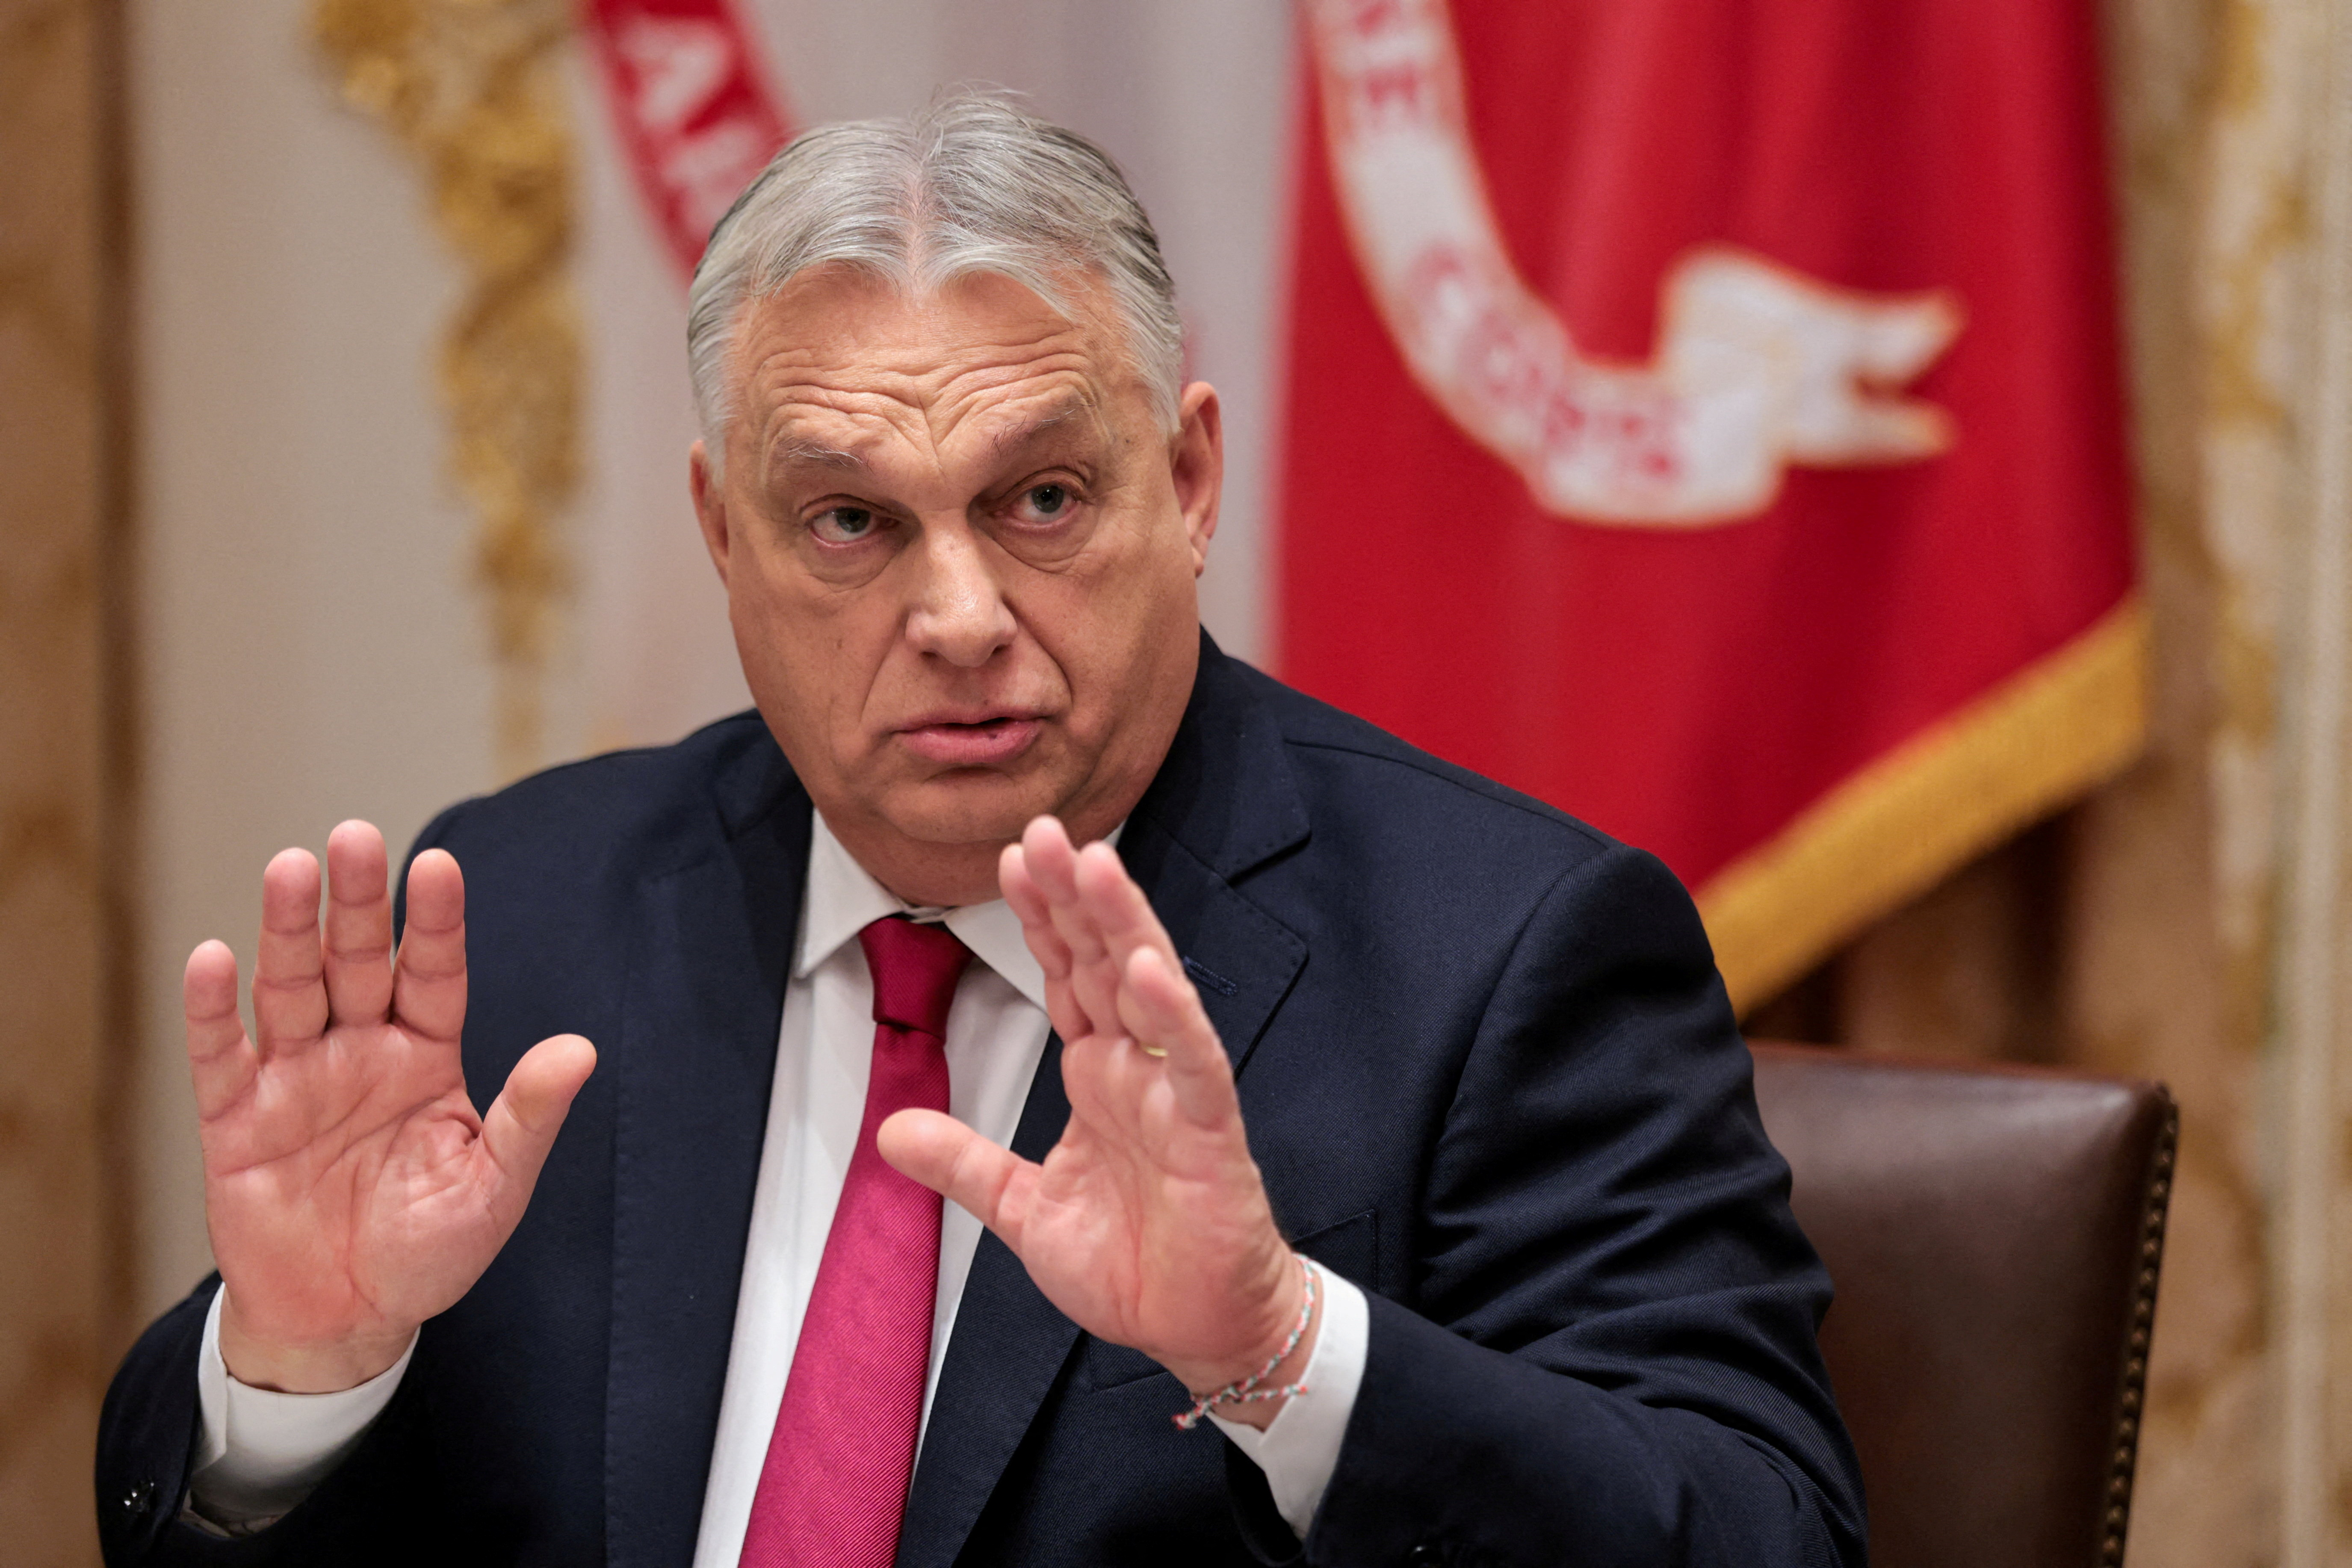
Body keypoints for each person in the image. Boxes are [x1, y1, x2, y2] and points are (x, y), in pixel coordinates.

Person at [96, 94, 1864, 1568]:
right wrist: (309, 1371)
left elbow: (1763, 1534)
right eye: (851, 519)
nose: (956, 613)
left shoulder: (1506, 953)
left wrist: (1277, 1351)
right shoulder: (530, 910)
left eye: (1039, 498)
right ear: (724, 531)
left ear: (1184, 482)